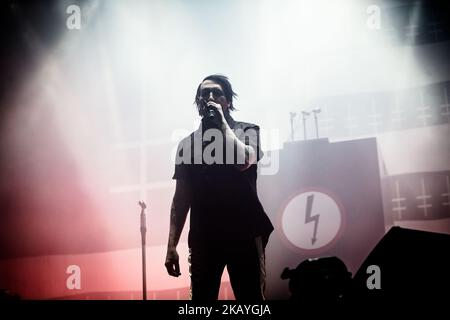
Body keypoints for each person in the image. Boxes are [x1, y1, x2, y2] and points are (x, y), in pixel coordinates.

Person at [164, 74, 274, 300]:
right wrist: (171, 245)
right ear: (198, 103)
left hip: (245, 233)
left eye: (217, 93)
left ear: (228, 102)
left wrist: (221, 123)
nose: (210, 97)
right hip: (205, 238)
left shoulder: (248, 131)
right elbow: (181, 199)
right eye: (205, 94)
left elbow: (244, 160)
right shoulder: (187, 145)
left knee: (251, 300)